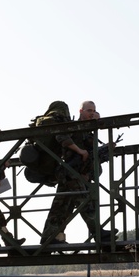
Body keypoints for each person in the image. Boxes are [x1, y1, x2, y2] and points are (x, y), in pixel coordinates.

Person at [40, 100, 114, 245]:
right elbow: (61, 137)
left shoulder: (89, 132)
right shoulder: (73, 126)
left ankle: (49, 237)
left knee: (61, 208)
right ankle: (98, 233)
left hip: (76, 174)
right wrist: (79, 150)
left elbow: (91, 156)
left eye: (93, 111)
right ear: (81, 111)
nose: (91, 113)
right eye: (89, 110)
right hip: (69, 172)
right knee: (85, 202)